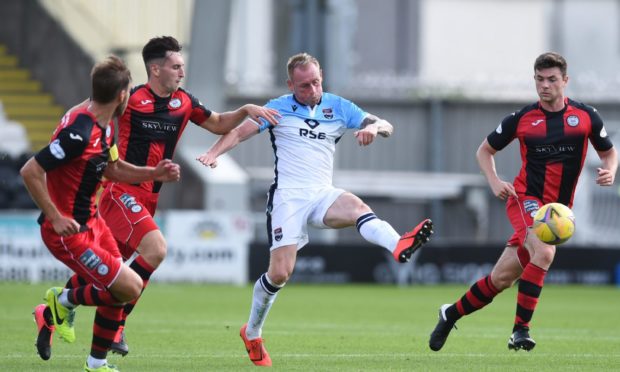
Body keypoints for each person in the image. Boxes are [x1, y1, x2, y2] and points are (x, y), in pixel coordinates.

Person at [196, 52, 434, 366]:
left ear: (321, 75)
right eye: (305, 85)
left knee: (356, 206)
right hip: (288, 198)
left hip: (322, 193)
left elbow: (385, 123)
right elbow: (239, 132)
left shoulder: (339, 106)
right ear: (290, 84)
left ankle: (398, 244)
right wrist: (214, 153)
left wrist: (373, 129)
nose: (313, 89)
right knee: (280, 273)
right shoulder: (278, 108)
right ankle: (252, 332)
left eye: (316, 82)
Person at [56, 36, 280, 356]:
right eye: (176, 67)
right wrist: (67, 131)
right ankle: (116, 324)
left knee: (105, 270)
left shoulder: (184, 102)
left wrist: (245, 109)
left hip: (149, 198)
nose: (181, 72)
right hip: (121, 192)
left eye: (182, 66)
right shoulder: (131, 99)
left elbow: (217, 124)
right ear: (155, 69)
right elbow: (90, 109)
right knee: (156, 249)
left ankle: (54, 308)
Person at [428, 52, 618, 352]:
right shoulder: (521, 119)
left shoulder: (585, 117)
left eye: (552, 79)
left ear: (565, 81)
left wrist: (611, 170)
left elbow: (609, 151)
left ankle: (449, 313)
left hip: (559, 208)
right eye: (540, 79)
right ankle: (520, 330)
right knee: (544, 251)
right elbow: (484, 151)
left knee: (500, 280)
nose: (545, 85)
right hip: (525, 198)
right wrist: (494, 182)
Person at [22, 55, 181, 371]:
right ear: (123, 96)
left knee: (120, 291)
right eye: (130, 91)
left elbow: (114, 169)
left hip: (93, 221)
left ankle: (96, 364)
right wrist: (54, 216)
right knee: (130, 286)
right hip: (67, 231)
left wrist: (153, 173)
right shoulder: (79, 132)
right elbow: (30, 171)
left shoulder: (102, 124)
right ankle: (59, 303)